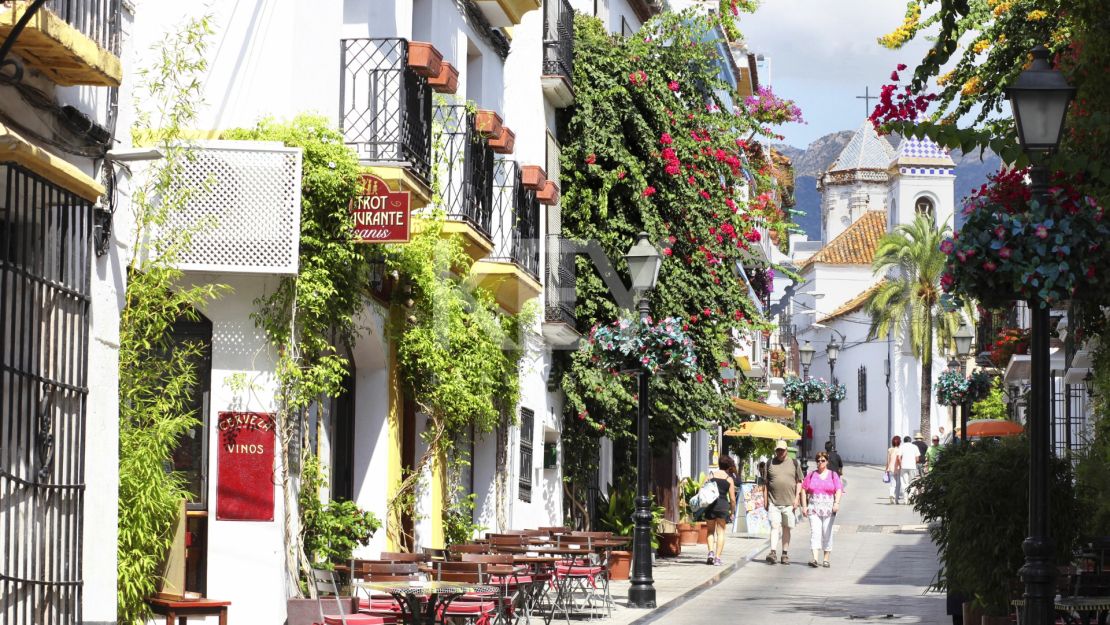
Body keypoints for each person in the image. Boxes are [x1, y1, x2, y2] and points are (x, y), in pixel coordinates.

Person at [763, 439, 803, 565]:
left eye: (782, 450)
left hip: (789, 503)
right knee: (775, 526)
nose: (780, 452)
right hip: (773, 502)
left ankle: (784, 554)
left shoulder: (794, 463)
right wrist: (765, 501)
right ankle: (773, 552)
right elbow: (766, 484)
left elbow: (799, 482)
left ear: (786, 450)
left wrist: (797, 499)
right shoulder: (769, 463)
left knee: (786, 528)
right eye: (778, 450)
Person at [801, 451, 843, 568]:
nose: (820, 462)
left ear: (827, 462)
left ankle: (825, 558)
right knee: (815, 532)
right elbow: (803, 489)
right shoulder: (811, 475)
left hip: (829, 510)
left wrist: (837, 503)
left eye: (823, 460)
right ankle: (814, 558)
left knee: (826, 532)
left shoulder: (833, 475)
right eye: (818, 460)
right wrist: (804, 506)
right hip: (814, 509)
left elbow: (839, 489)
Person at [703, 455, 736, 566]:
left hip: (711, 506)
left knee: (710, 531)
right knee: (720, 532)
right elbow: (732, 499)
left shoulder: (710, 475)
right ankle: (717, 558)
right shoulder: (729, 479)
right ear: (728, 466)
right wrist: (732, 511)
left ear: (719, 464)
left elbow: (701, 490)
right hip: (722, 506)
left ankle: (710, 553)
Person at [898, 435, 920, 503]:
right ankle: (910, 495)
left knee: (904, 483)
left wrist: (901, 464)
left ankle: (905, 499)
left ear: (904, 441)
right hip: (912, 467)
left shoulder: (901, 447)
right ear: (910, 441)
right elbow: (917, 459)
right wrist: (913, 463)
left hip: (904, 467)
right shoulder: (915, 447)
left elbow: (899, 457)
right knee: (912, 482)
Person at [885, 436, 901, 504]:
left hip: (891, 468)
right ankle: (896, 499)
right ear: (899, 442)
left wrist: (886, 469)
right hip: (898, 468)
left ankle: (891, 494)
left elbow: (888, 460)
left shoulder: (890, 450)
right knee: (898, 484)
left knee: (892, 484)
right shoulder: (900, 450)